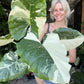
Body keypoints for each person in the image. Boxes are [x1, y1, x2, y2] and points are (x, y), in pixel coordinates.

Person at [34, 0, 76, 84]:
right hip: (41, 70)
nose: (58, 13)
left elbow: (72, 58)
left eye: (61, 9)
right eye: (55, 10)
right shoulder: (46, 27)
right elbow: (34, 45)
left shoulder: (71, 34)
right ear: (52, 12)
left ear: (66, 11)